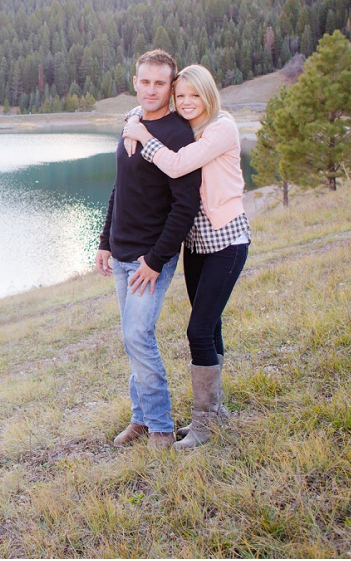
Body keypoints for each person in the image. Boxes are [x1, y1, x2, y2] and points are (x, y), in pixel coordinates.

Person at [122, 64, 250, 450]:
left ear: (209, 94)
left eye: (195, 95)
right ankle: (217, 411)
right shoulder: (189, 128)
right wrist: (133, 118)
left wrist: (141, 134)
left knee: (198, 330)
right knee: (210, 328)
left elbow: (177, 164)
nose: (187, 102)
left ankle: (204, 425)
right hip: (195, 244)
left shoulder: (221, 128)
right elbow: (144, 111)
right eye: (182, 96)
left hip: (226, 242)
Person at [96, 50, 201, 451]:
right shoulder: (131, 123)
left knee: (139, 335)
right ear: (135, 81)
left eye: (161, 83)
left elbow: (185, 206)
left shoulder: (177, 134)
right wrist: (105, 241)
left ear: (171, 85)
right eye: (145, 81)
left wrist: (156, 260)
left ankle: (160, 427)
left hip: (149, 257)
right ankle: (141, 419)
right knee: (131, 337)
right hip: (121, 251)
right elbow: (119, 188)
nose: (152, 89)